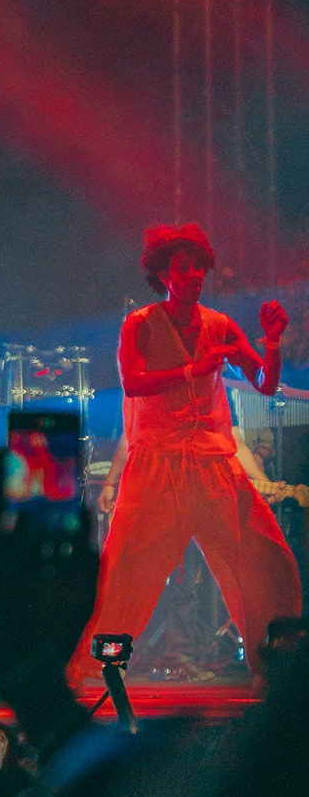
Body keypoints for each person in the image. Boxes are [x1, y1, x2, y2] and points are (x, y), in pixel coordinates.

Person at [74, 223, 297, 679]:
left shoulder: (220, 324)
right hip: (157, 468)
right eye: (183, 267)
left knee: (268, 559)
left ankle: (280, 665)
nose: (194, 274)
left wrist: (272, 342)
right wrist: (194, 369)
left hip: (214, 466)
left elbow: (265, 383)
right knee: (123, 573)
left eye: (199, 267)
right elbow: (133, 382)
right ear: (163, 273)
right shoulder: (140, 324)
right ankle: (90, 669)